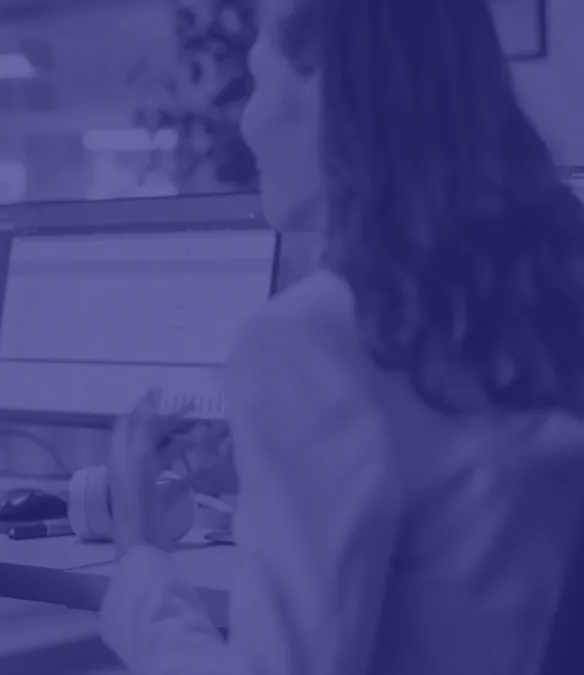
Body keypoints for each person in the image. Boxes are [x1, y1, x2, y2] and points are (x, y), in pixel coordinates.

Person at [100, 0, 584, 673]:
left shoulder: (311, 340)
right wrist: (269, 478)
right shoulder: (548, 295)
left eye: (256, 83)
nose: (246, 124)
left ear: (328, 90)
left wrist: (140, 557)